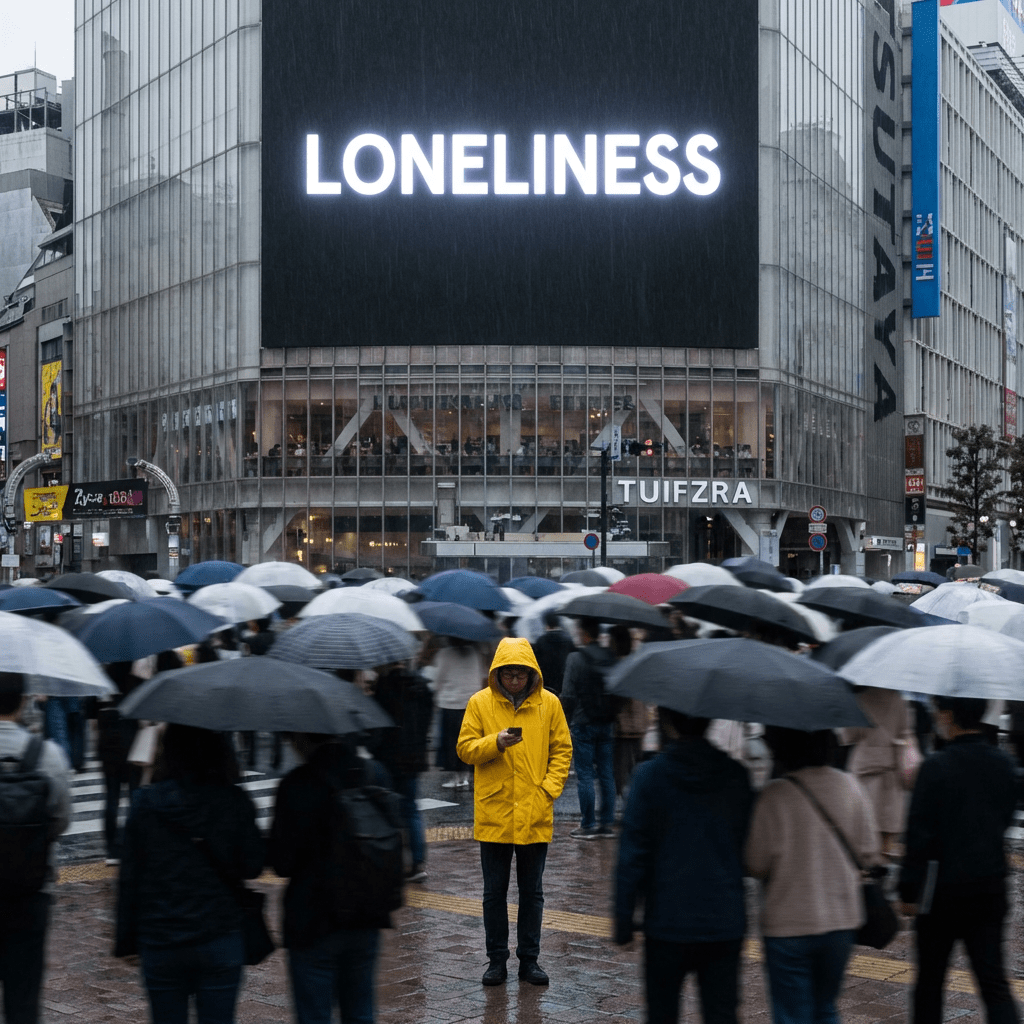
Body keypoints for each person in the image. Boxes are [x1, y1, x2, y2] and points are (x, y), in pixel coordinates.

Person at [115, 724, 264, 1024]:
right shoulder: (233, 800)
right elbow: (253, 865)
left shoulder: (146, 803)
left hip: (161, 936)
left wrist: (126, 940)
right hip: (219, 932)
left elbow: (130, 876)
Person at [614, 709, 753, 1024]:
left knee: (662, 1013)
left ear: (668, 720)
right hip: (724, 917)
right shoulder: (736, 776)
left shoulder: (649, 777)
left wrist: (624, 919)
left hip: (666, 919)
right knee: (722, 1014)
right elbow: (749, 847)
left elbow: (632, 854)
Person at [456, 637, 572, 987]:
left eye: (521, 674)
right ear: (498, 673)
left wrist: (547, 790)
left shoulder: (549, 704)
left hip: (534, 811)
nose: (515, 681)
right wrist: (495, 743)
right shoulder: (480, 703)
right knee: (494, 892)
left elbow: (562, 750)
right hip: (495, 811)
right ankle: (496, 960)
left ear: (531, 673)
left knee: (531, 892)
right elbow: (464, 749)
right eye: (508, 674)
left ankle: (530, 960)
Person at [746, 727, 880, 1024]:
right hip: (841, 921)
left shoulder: (774, 794)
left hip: (787, 925)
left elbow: (755, 863)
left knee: (792, 1014)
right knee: (826, 1007)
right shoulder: (850, 786)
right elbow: (869, 852)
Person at [898, 696, 1019, 1024]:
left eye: (938, 711)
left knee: (930, 982)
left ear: (948, 715)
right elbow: (1006, 816)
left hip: (942, 892)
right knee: (992, 981)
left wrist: (908, 890)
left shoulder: (936, 766)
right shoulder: (1003, 764)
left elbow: (918, 837)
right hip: (991, 886)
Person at [269, 733, 394, 1024]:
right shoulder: (374, 773)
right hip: (366, 913)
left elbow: (281, 863)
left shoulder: (296, 784)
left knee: (313, 1014)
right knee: (361, 1011)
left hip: (312, 919)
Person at [0, 671, 71, 1024]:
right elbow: (61, 822)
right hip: (31, 889)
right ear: (24, 701)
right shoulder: (47, 755)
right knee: (24, 998)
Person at [371, 662, 434, 881]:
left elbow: (378, 724)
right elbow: (426, 721)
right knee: (411, 809)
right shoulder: (421, 685)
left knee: (389, 809)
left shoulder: (384, 685)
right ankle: (418, 863)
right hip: (414, 756)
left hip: (389, 756)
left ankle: (392, 860)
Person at [840, 686, 915, 859]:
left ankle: (865, 880)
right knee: (886, 843)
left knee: (859, 837)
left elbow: (847, 737)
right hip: (891, 775)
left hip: (863, 775)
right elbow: (905, 733)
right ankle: (882, 880)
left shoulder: (859, 699)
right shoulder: (899, 700)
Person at [560, 617, 618, 838]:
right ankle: (607, 824)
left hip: (583, 722)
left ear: (584, 633)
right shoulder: (609, 656)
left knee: (585, 775)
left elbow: (568, 694)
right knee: (606, 774)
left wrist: (565, 717)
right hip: (607, 723)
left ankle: (588, 825)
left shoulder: (575, 658)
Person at [432, 637, 484, 788]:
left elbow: (438, 679)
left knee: (452, 743)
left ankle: (456, 778)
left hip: (450, 704)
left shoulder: (445, 654)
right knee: (469, 741)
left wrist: (436, 695)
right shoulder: (474, 652)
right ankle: (467, 775)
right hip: (471, 704)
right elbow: (480, 676)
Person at [531, 609, 575, 698]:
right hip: (564, 684)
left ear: (545, 623)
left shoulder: (541, 641)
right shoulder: (568, 640)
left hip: (547, 685)